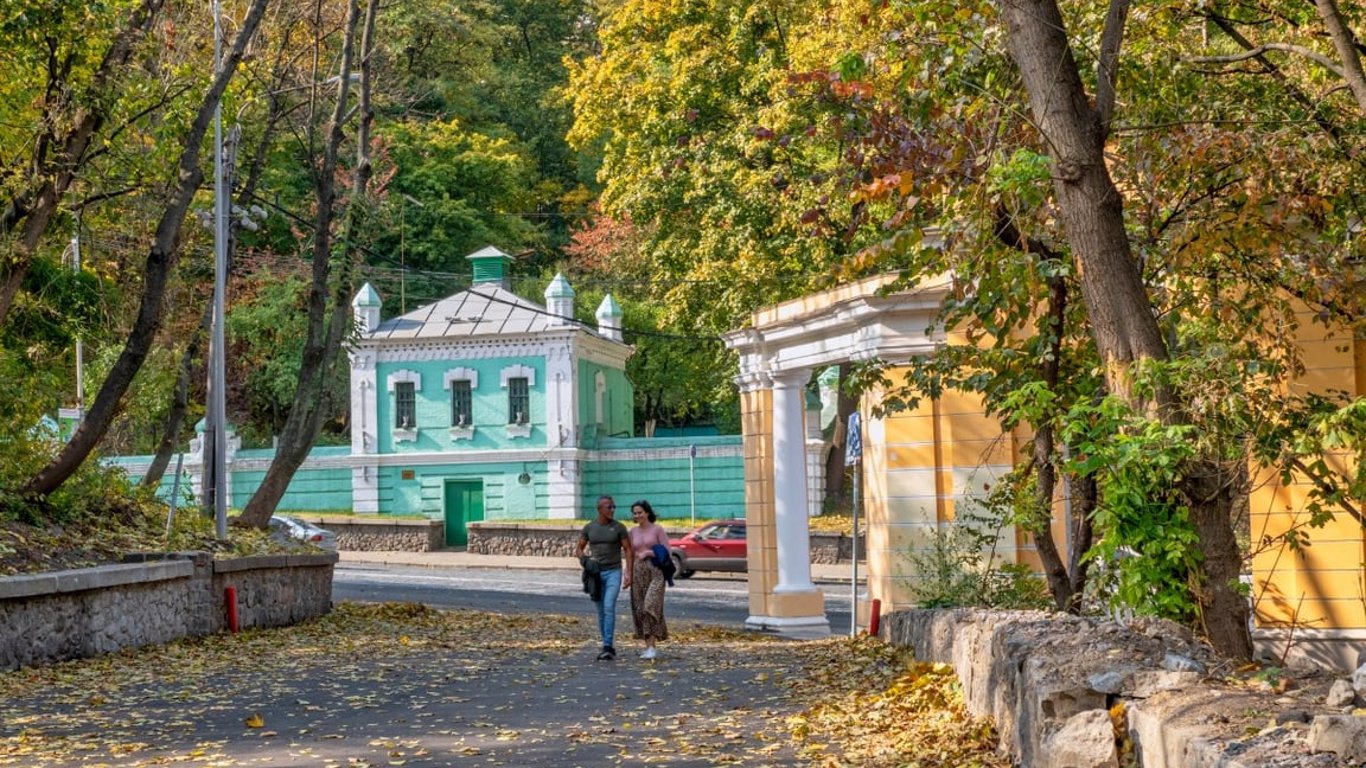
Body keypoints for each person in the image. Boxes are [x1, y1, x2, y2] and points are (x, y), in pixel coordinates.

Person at [576, 495, 632, 661]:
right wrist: (585, 561)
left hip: (613, 571)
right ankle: (606, 645)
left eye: (614, 507)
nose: (612, 510)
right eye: (609, 507)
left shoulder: (619, 527)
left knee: (608, 606)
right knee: (601, 612)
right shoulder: (589, 528)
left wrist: (628, 571)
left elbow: (628, 549)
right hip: (596, 574)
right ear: (599, 509)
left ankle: (608, 646)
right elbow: (579, 548)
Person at [627, 499, 671, 660]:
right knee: (640, 608)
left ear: (647, 512)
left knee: (650, 605)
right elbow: (629, 555)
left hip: (656, 571)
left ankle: (654, 642)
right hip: (638, 572)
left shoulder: (657, 529)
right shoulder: (632, 532)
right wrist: (627, 573)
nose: (638, 515)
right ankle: (649, 647)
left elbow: (667, 550)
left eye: (640, 512)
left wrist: (649, 553)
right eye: (635, 513)